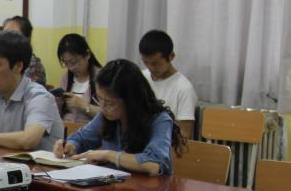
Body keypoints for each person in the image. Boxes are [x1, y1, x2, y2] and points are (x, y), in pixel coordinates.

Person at [54, 59, 186, 175]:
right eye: (99, 99)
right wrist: (70, 146)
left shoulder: (159, 120)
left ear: (131, 101)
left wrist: (107, 155)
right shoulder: (107, 115)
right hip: (113, 188)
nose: (103, 107)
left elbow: (153, 164)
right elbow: (82, 139)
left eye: (110, 103)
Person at [139, 29, 198, 139]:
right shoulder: (140, 78)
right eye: (145, 62)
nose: (150, 68)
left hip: (163, 144)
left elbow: (185, 135)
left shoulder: (184, 88)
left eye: (155, 64)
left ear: (171, 56)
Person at [56, 33, 103, 125]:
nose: (71, 68)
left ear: (87, 54)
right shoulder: (66, 78)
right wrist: (57, 104)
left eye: (73, 62)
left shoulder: (102, 77)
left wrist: (84, 106)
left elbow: (108, 116)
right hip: (66, 128)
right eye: (66, 63)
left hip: (89, 130)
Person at [2, 15, 47, 85]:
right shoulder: (0, 60)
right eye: (4, 34)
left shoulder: (34, 67)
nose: (6, 38)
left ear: (26, 39)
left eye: (13, 34)